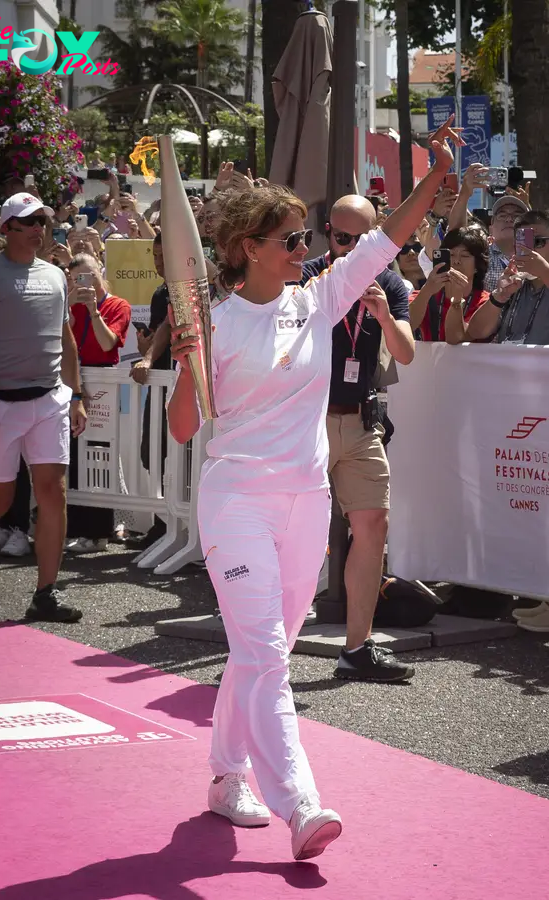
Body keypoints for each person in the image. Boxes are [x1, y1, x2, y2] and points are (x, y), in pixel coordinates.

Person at [166, 119, 463, 860]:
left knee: (263, 649)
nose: (307, 251)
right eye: (293, 241)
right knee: (266, 653)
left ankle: (226, 773)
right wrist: (185, 357)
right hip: (236, 502)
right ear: (249, 252)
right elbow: (180, 429)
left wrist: (431, 180)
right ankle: (301, 803)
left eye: (308, 239)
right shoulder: (217, 323)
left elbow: (385, 240)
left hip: (306, 503)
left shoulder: (317, 302)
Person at [0, 192, 87, 620]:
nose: (38, 229)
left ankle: (45, 593)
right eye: (28, 222)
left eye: (42, 221)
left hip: (48, 400)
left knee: (53, 493)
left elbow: (66, 341)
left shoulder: (56, 276)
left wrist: (77, 396)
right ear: (7, 228)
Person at [301, 195, 416, 683]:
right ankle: (265, 651)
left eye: (358, 239)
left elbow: (406, 355)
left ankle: (357, 648)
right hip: (307, 421)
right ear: (327, 232)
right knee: (295, 533)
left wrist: (385, 316)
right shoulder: (305, 276)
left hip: (362, 420)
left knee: (373, 525)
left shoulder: (389, 281)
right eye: (339, 236)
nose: (346, 248)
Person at [66, 254, 131, 553]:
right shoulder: (70, 305)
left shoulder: (118, 305)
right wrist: (67, 304)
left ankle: (100, 531)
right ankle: (79, 528)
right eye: (77, 277)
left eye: (88, 275)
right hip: (74, 381)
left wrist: (93, 312)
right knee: (75, 456)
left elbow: (108, 344)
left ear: (100, 273)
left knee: (100, 455)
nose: (84, 283)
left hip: (102, 381)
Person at [451, 210, 549, 347]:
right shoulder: (514, 285)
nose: (531, 250)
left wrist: (544, 271)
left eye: (538, 242)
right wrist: (499, 296)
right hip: (511, 367)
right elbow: (475, 332)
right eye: (523, 243)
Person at [131, 233, 170, 547]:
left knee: (175, 458)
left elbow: (170, 329)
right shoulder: (160, 293)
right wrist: (147, 347)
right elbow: (160, 332)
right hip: (158, 385)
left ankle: (174, 525)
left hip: (179, 386)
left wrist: (147, 355)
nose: (159, 263)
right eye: (155, 256)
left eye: (163, 256)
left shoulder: (194, 289)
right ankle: (161, 523)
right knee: (151, 455)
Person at [410, 226, 490, 342]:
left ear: (477, 265)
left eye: (465, 256)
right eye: (451, 255)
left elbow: (456, 338)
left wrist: (457, 299)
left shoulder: (484, 302)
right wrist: (427, 290)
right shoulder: (424, 294)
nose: (456, 261)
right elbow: (408, 323)